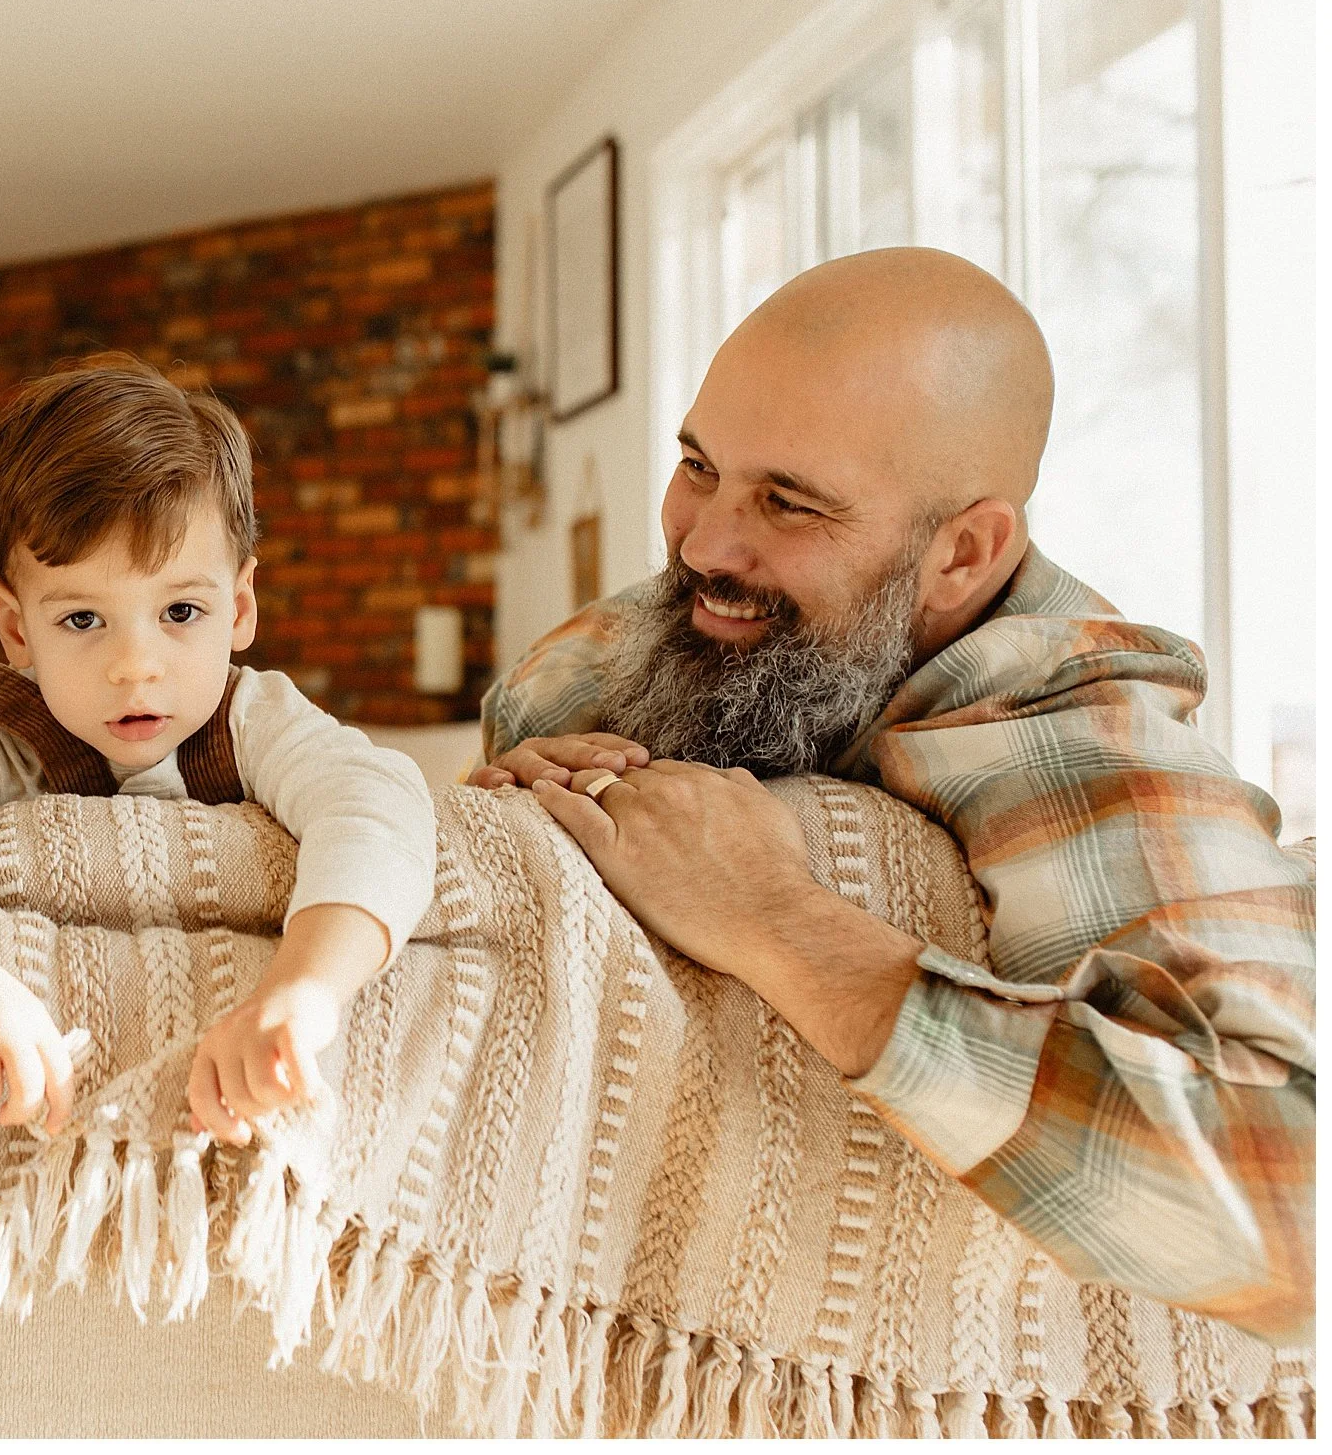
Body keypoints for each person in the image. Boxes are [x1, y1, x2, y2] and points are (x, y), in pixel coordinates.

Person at [473, 248, 1312, 1344]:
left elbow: (1296, 1213)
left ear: (963, 553)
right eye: (698, 465)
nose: (702, 543)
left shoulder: (1077, 728)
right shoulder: (590, 664)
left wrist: (777, 919)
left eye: (790, 503)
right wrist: (499, 821)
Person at [0, 354, 437, 1144]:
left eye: (180, 611)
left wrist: (306, 990)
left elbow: (377, 808)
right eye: (82, 619)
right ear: (16, 627)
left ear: (240, 607)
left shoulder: (254, 718)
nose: (135, 666)